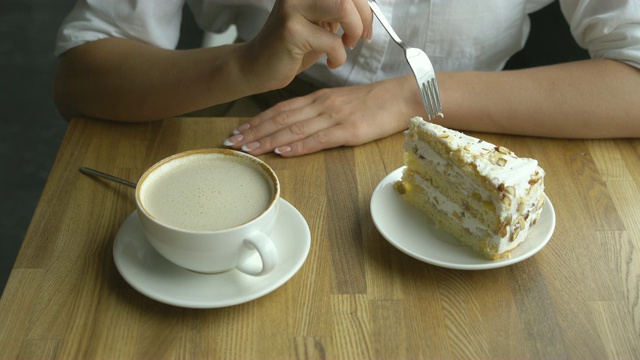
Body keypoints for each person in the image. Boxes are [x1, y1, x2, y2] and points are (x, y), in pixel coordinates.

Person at [54, 0, 640, 158]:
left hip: (486, 126)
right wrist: (244, 62)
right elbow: (80, 79)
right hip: (259, 118)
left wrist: (412, 97)